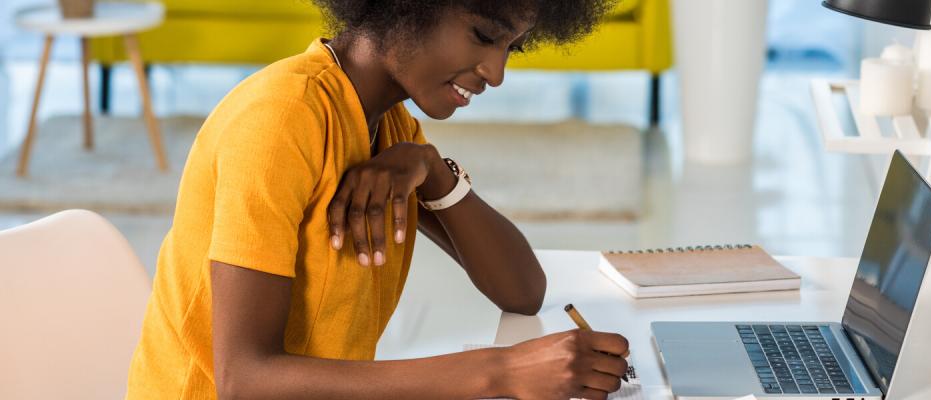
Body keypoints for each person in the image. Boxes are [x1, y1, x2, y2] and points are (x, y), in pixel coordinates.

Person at [125, 1, 629, 398]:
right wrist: (498, 371)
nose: (496, 72)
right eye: (483, 35)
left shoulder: (388, 128)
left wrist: (430, 168)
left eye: (511, 48)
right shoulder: (281, 121)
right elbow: (245, 380)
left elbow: (522, 291)